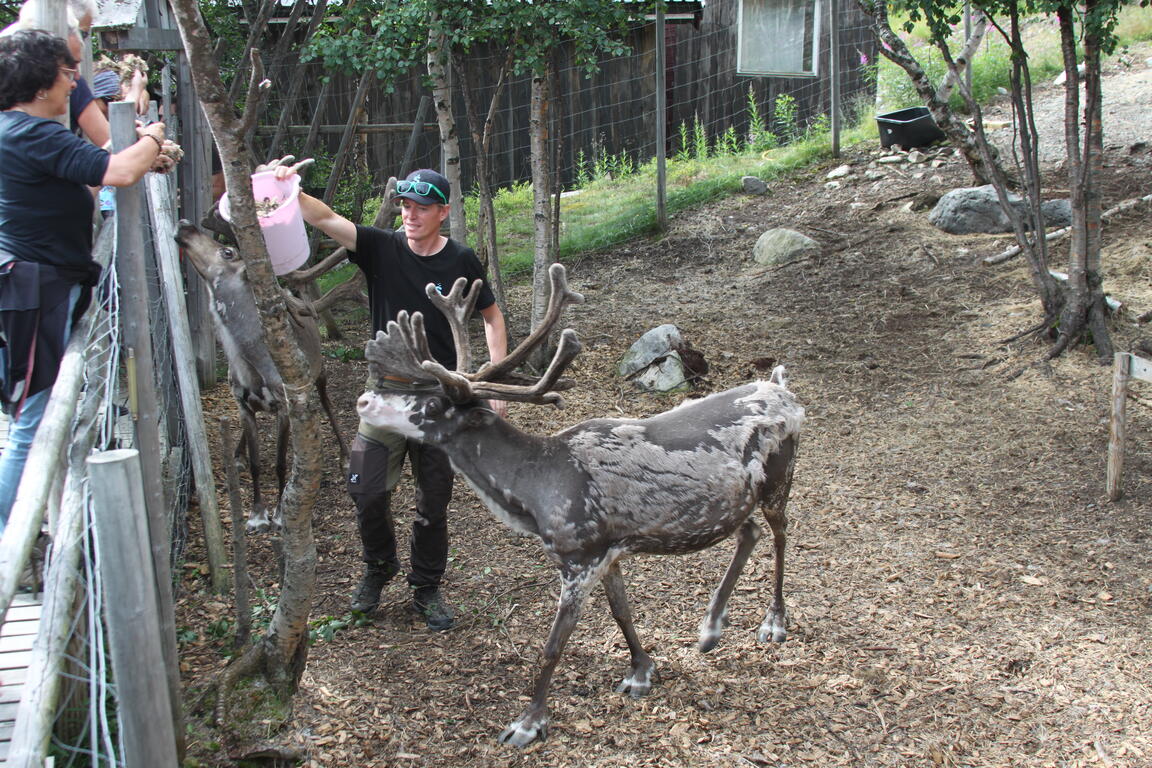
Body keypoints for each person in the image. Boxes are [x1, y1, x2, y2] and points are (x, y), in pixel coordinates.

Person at [271, 159, 507, 631]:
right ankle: (378, 569)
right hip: (385, 394)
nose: (410, 214)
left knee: (433, 500)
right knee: (365, 488)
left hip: (440, 399)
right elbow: (322, 217)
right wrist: (282, 187)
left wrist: (491, 379)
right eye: (404, 204)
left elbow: (492, 317)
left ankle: (426, 587)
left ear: (442, 211)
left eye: (421, 207)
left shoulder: (460, 260)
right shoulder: (380, 247)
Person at [0, 29, 173, 535]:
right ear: (39, 84)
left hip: (34, 284)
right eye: (65, 73)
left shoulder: (18, 133)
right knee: (32, 425)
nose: (73, 79)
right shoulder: (32, 133)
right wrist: (154, 138)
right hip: (37, 290)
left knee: (30, 415)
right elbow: (117, 171)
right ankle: (10, 538)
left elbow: (94, 174)